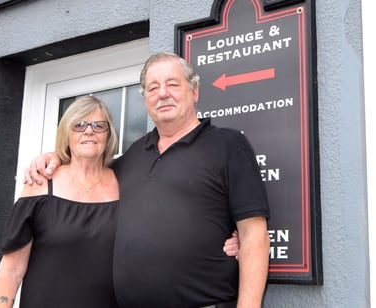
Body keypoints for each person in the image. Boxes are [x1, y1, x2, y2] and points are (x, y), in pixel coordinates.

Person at [25, 52, 271, 307]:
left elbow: (254, 235)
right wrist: (57, 157)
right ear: (145, 100)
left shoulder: (229, 146)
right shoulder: (133, 155)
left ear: (194, 91)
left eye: (172, 84)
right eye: (153, 88)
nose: (162, 93)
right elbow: (87, 175)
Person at [0, 95, 121, 307]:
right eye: (79, 125)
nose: (89, 131)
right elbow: (11, 269)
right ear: (66, 134)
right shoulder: (41, 184)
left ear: (109, 135)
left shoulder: (123, 182)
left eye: (99, 125)